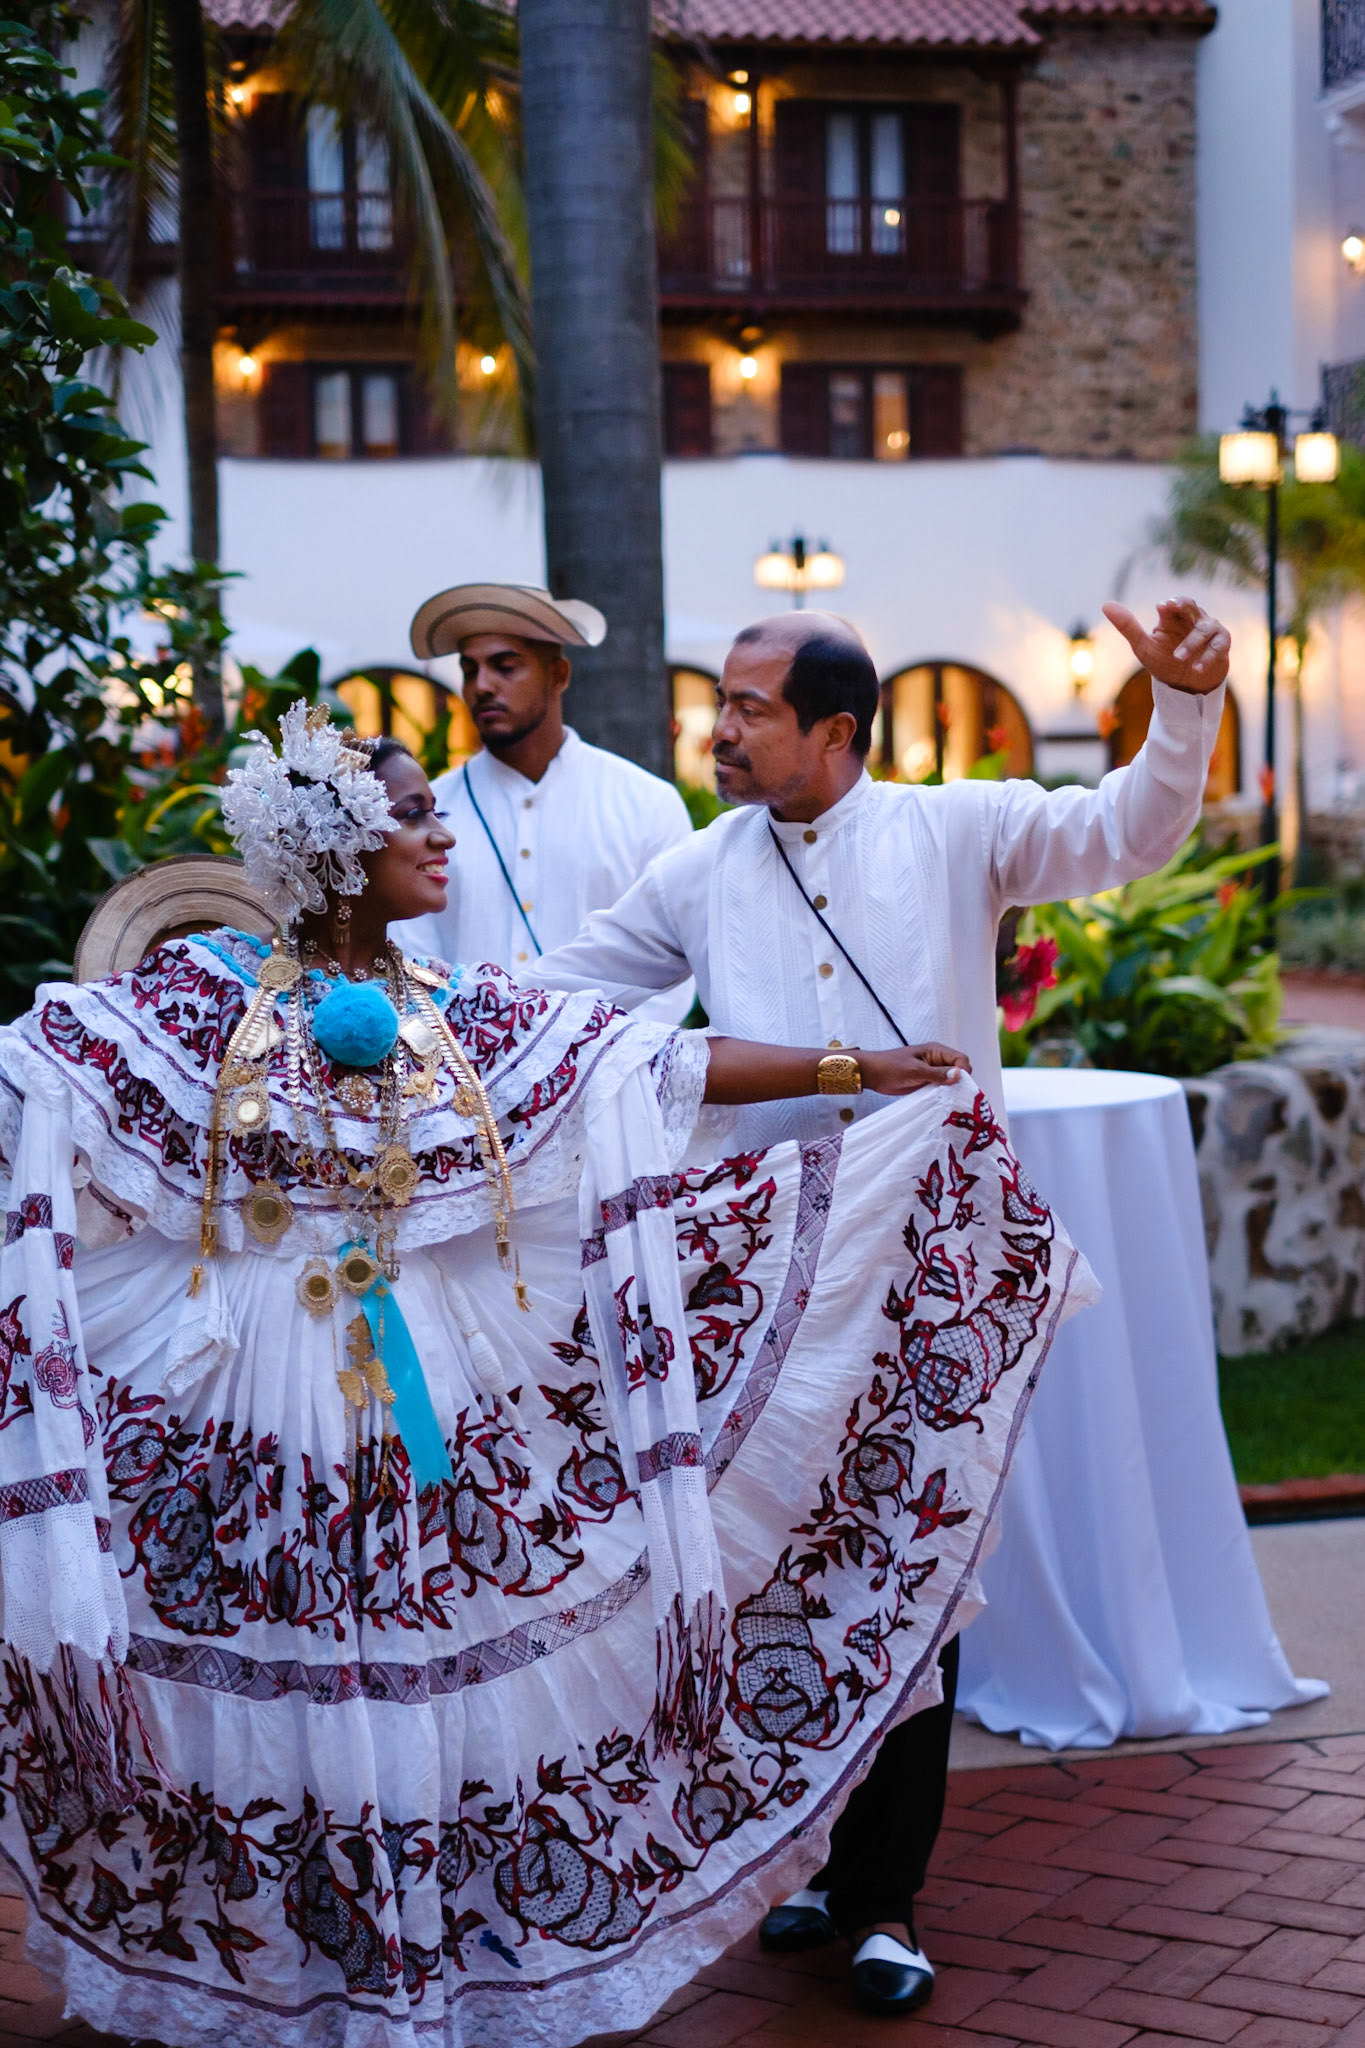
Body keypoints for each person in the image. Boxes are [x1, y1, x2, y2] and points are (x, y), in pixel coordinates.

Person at [0, 704, 1097, 2048]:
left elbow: (657, 1066)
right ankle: (293, 1962)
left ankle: (429, 1947)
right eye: (411, 813)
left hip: (431, 1375)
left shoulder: (461, 1007)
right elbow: (43, 1077)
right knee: (293, 1654)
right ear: (337, 849)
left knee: (429, 1648)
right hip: (255, 1396)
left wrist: (856, 1067)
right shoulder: (205, 999)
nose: (440, 829)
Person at [532, 594, 1232, 2015]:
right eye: (719, 704)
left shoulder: (955, 826)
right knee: (777, 1569)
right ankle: (799, 1860)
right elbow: (559, 994)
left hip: (928, 1265)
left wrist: (1185, 707)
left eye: (747, 709)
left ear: (834, 732)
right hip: (759, 1296)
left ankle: (886, 1900)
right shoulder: (702, 867)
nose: (716, 730)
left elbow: (1123, 835)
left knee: (911, 1563)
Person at [392, 582, 693, 1020]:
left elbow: (675, 961)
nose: (482, 686)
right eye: (470, 669)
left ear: (559, 676)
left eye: (505, 666)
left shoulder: (646, 803)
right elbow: (407, 951)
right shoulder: (427, 813)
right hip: (461, 1075)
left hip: (607, 1075)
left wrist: (596, 1062)